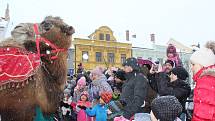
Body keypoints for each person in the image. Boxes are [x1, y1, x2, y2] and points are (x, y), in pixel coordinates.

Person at [190, 41, 215, 121]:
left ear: (202, 65)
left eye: (193, 64)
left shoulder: (205, 82)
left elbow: (202, 116)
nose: (191, 68)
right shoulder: (210, 79)